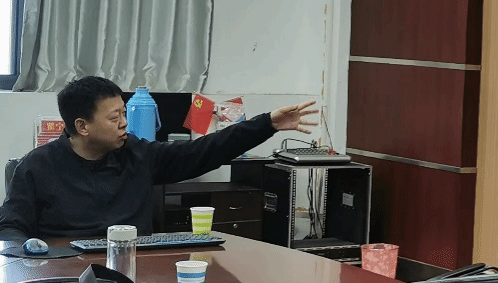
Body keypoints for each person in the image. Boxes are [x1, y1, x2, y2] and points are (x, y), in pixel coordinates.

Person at [0, 76, 318, 241]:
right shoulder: (37, 166)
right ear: (82, 126)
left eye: (124, 113)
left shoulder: (137, 154)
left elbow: (203, 151)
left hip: (134, 270)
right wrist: (31, 256)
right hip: (66, 274)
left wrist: (267, 124)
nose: (124, 124)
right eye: (114, 118)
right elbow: (11, 226)